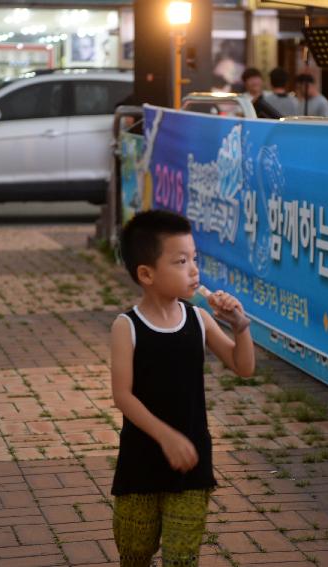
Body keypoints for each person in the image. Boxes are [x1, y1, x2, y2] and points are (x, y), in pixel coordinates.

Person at [110, 210, 255, 567]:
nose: (194, 270)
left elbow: (243, 367)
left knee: (181, 558)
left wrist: (240, 326)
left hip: (192, 463)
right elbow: (122, 396)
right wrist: (165, 437)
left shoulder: (199, 319)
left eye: (195, 259)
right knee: (135, 552)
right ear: (146, 274)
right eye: (180, 261)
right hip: (141, 462)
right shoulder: (126, 326)